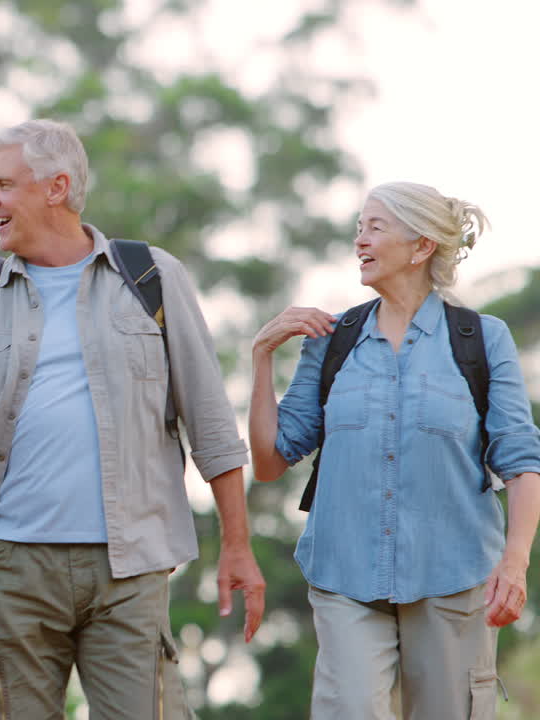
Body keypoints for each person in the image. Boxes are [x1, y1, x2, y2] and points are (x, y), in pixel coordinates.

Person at [0, 119, 265, 719]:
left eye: (2, 184)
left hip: (130, 565)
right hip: (10, 566)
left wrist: (238, 544)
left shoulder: (150, 278)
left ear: (55, 187)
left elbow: (210, 423)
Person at [249, 181, 540, 719]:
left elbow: (520, 461)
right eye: (359, 227)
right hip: (345, 577)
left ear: (422, 245)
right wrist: (262, 356)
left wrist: (515, 563)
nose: (360, 239)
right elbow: (270, 461)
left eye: (375, 227)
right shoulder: (332, 340)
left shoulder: (482, 339)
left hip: (454, 576)